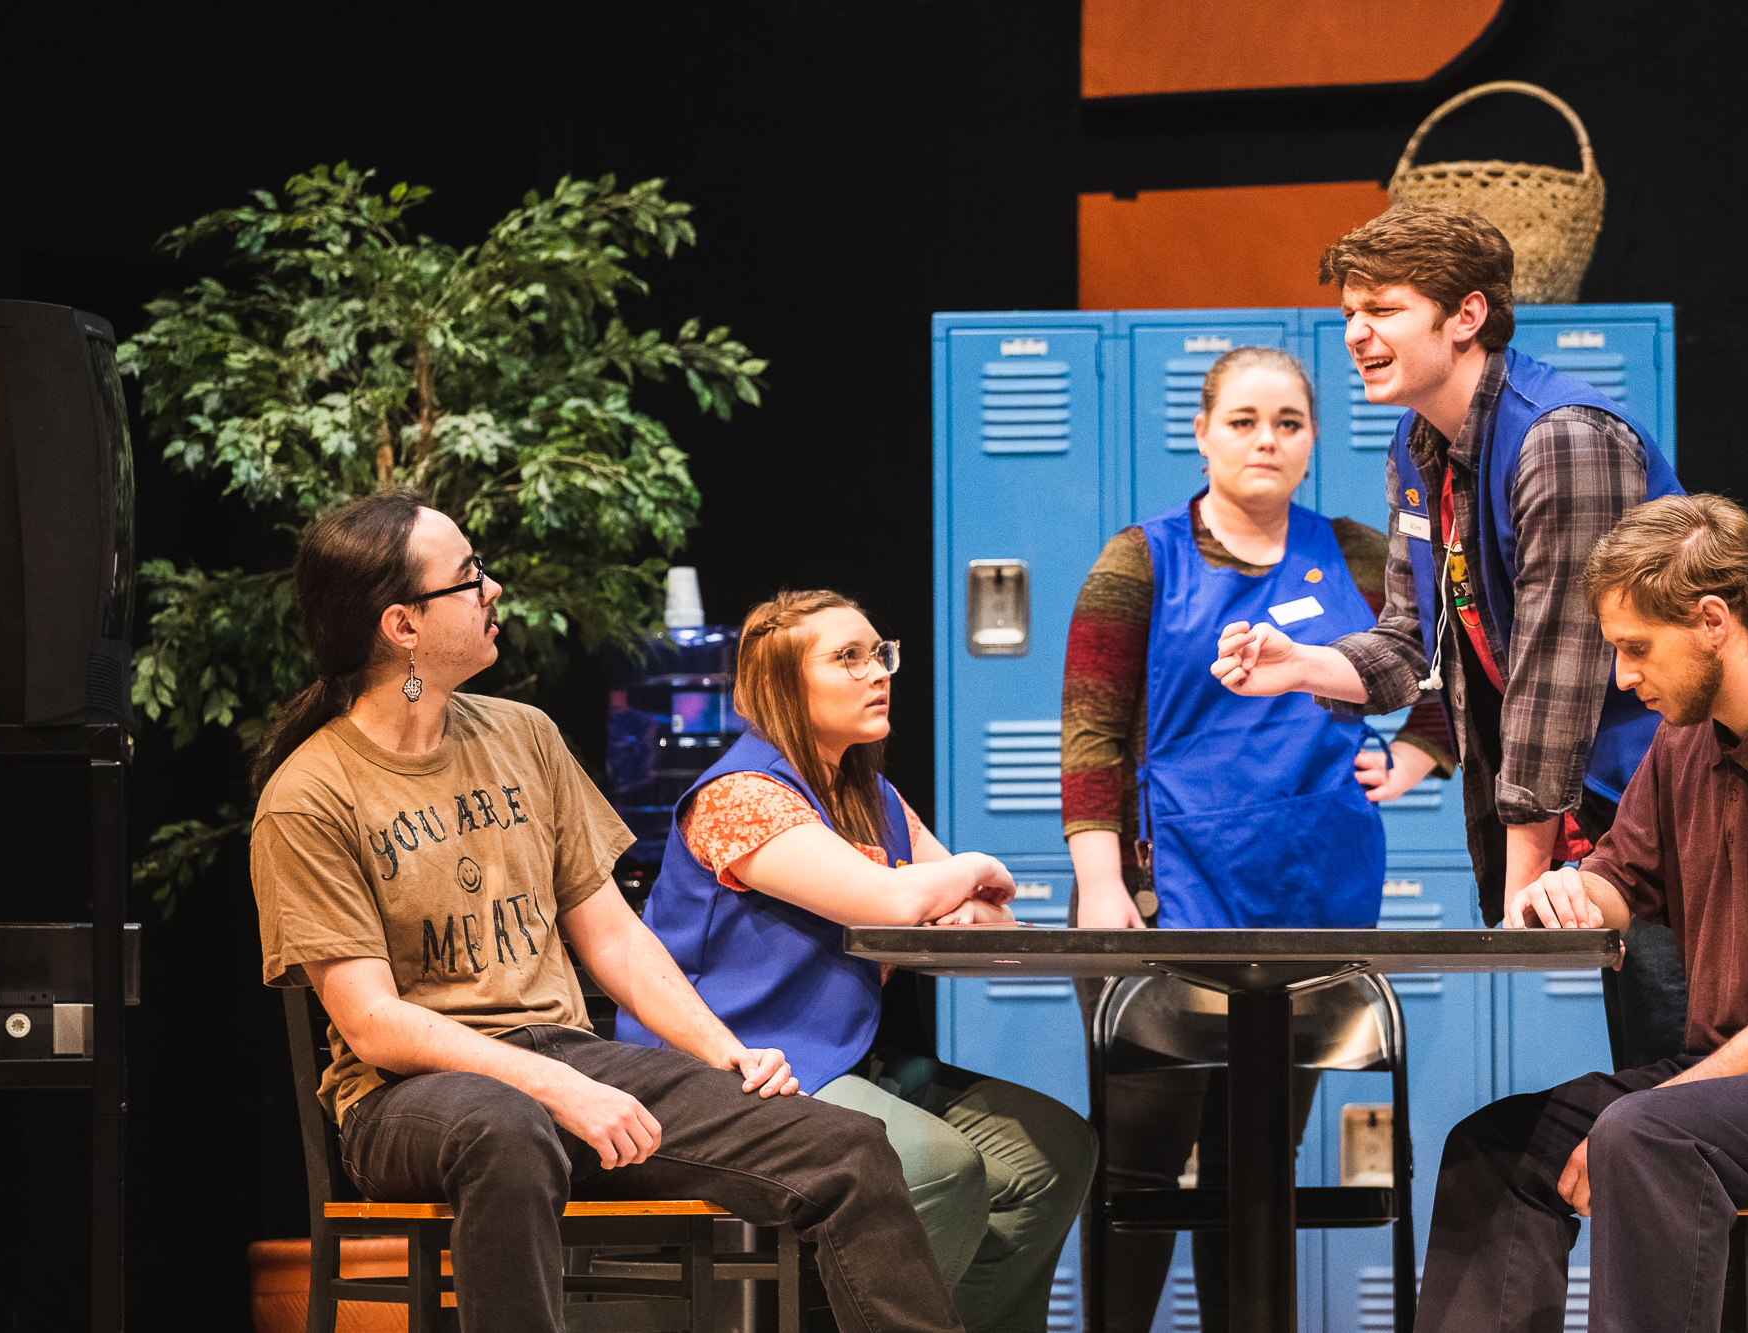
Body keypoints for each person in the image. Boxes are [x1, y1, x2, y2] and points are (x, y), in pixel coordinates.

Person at [249, 493, 963, 1333]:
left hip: (566, 1058)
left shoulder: (525, 736)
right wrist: (557, 1086)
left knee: (843, 1145)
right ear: (402, 624)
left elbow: (615, 938)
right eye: (470, 577)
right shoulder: (309, 796)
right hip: (409, 1097)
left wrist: (726, 1053)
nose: (494, 589)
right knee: (505, 1129)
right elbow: (371, 1024)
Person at [1412, 493, 1748, 1332]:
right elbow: (1622, 877)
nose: (1624, 677)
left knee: (1643, 1138)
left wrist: (1644, 1112)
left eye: (1636, 648)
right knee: (1499, 1147)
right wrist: (1571, 891)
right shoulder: (1688, 740)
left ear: (1713, 618)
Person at [1211, 203, 1689, 1070]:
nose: (1355, 333)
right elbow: (1406, 643)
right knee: (1650, 1084)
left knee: (1685, 1082)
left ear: (1466, 316)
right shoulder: (1418, 442)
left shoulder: (1562, 438)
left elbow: (1557, 676)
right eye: (1349, 311)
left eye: (1383, 308)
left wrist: (1516, 899)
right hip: (1595, 821)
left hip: (1669, 810)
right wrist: (1299, 665)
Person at [1061, 345, 1453, 1332]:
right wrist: (1100, 886)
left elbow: (1448, 685)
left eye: (1287, 421)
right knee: (1142, 1166)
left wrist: (1407, 761)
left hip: (1307, 904)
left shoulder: (1360, 554)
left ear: (1313, 438)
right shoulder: (1137, 557)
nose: (1265, 439)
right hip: (1159, 900)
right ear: (1200, 433)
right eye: (1241, 420)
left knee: (1257, 1170)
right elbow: (1092, 732)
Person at [617, 589, 1098, 1333]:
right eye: (847, 657)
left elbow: (972, 911)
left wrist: (953, 889)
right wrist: (965, 869)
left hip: (841, 1060)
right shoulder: (742, 795)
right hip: (731, 1070)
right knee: (938, 1164)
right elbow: (897, 900)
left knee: (1053, 1152)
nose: (877, 672)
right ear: (779, 683)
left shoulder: (871, 793)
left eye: (880, 653)